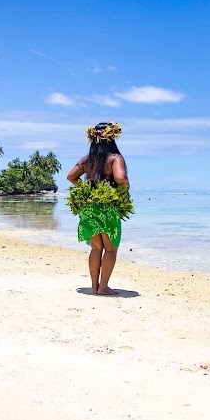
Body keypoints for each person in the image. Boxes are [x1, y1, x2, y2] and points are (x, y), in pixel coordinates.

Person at [66, 122, 130, 295]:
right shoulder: (114, 158)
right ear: (111, 138)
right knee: (110, 248)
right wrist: (122, 190)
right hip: (107, 207)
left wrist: (86, 189)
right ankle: (103, 288)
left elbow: (71, 177)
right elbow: (121, 178)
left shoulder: (88, 160)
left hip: (89, 208)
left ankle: (94, 287)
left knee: (95, 248)